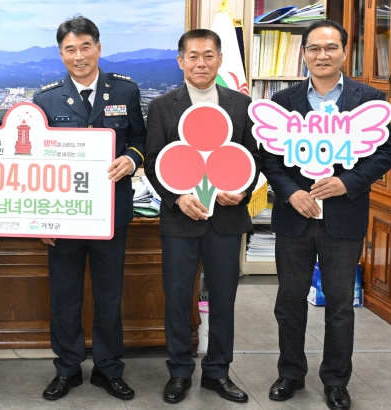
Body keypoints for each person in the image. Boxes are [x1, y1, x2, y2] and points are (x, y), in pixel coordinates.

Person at [260, 20, 391, 410]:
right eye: (314, 48)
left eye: (331, 47)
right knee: (289, 302)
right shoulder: (283, 101)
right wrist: (291, 192)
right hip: (295, 219)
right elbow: (269, 158)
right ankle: (290, 373)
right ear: (304, 53)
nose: (322, 55)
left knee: (339, 305)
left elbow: (385, 154)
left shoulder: (369, 99)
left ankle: (336, 380)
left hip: (344, 217)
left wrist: (347, 183)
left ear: (345, 52)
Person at [32, 15, 145, 401]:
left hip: (111, 213)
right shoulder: (46, 99)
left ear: (98, 47)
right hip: (63, 217)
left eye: (85, 47)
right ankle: (67, 369)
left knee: (109, 296)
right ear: (61, 54)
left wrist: (131, 159)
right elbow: (36, 164)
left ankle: (108, 369)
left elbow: (140, 138)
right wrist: (41, 219)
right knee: (65, 297)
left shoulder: (126, 90)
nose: (79, 56)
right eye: (70, 49)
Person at [144, 29, 260, 405]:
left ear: (220, 59)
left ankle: (217, 372)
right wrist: (176, 198)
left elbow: (254, 158)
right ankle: (179, 371)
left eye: (208, 55)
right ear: (181, 62)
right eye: (192, 56)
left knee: (224, 298)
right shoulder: (163, 106)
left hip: (226, 218)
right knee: (178, 298)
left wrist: (243, 190)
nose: (201, 63)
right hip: (180, 220)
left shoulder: (241, 104)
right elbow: (153, 163)